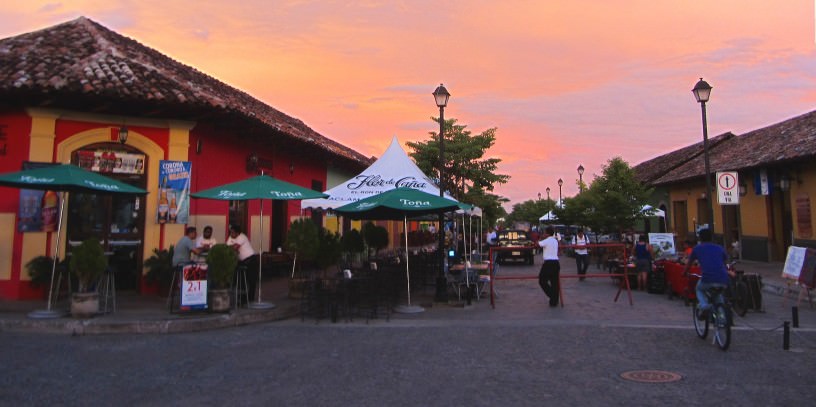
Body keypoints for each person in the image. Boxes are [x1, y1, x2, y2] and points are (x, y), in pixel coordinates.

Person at [684, 228, 729, 320]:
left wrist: (684, 272)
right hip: (723, 279)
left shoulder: (697, 249)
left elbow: (689, 264)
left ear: (700, 238)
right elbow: (724, 262)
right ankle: (722, 317)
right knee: (718, 294)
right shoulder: (720, 248)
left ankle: (704, 306)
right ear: (712, 238)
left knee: (699, 289)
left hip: (708, 278)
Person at [227, 225, 258, 301]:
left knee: (251, 280)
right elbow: (227, 247)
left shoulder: (242, 237)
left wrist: (232, 247)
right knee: (241, 280)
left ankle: (250, 298)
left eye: (233, 233)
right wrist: (232, 247)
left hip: (251, 260)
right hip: (242, 261)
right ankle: (242, 298)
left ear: (238, 233)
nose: (231, 234)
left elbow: (235, 247)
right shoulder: (230, 238)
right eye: (230, 232)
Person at [538, 226, 560, 307]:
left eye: (544, 233)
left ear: (547, 233)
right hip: (556, 263)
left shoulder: (546, 241)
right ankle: (554, 301)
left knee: (542, 280)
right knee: (555, 283)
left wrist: (540, 238)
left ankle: (552, 296)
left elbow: (538, 244)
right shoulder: (555, 240)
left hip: (548, 263)